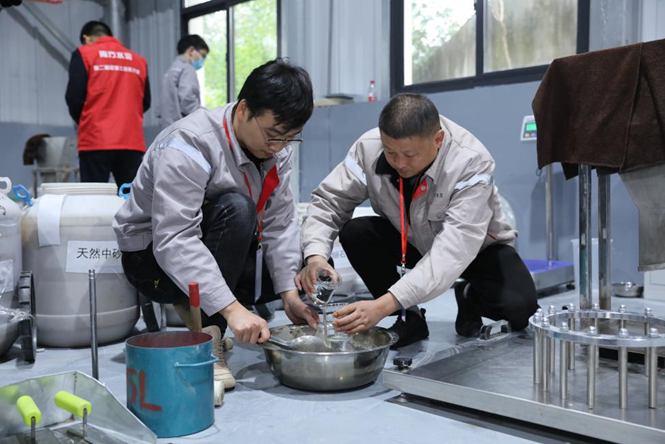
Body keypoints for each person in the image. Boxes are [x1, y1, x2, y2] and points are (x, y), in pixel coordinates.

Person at [113, 59, 317, 401]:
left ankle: (213, 311)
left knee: (290, 274)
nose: (279, 147)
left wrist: (289, 295)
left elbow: (280, 224)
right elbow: (174, 238)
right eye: (272, 135)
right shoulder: (189, 142)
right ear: (244, 110)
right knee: (237, 208)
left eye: (289, 138)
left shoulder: (277, 149)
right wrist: (233, 309)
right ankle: (208, 337)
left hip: (218, 246)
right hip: (151, 260)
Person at [297, 93, 538, 348]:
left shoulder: (471, 162)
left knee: (520, 309)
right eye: (390, 152)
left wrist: (382, 305)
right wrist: (315, 257)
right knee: (356, 232)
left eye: (410, 154)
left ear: (438, 139)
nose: (400, 163)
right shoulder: (368, 149)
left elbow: (452, 250)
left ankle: (469, 296)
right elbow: (330, 202)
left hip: (475, 250)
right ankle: (409, 319)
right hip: (411, 241)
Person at [65, 21, 151, 188]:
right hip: (131, 140)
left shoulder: (84, 54)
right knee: (131, 198)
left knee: (94, 197)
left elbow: (74, 97)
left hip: (96, 139)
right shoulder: (138, 60)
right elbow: (146, 101)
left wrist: (86, 121)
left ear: (87, 38)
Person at [158, 34, 209, 129]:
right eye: (202, 56)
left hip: (166, 130)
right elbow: (188, 101)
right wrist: (207, 116)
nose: (202, 60)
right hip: (181, 130)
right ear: (191, 50)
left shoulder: (170, 71)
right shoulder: (188, 69)